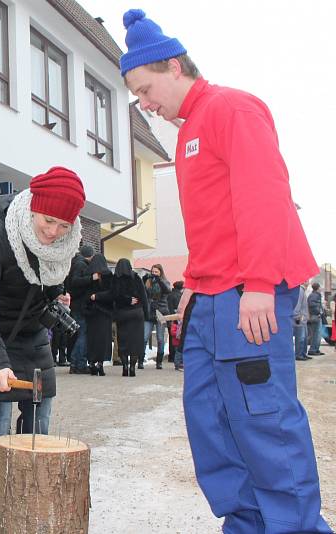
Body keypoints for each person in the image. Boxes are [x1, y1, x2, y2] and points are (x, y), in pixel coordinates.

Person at [121, 9, 331, 532]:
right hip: (212, 297)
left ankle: (296, 527)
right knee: (211, 424)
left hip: (249, 295)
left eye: (146, 90)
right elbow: (213, 222)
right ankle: (246, 524)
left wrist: (259, 284)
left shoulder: (232, 108)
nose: (145, 104)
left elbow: (262, 198)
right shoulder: (188, 132)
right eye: (138, 96)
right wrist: (193, 284)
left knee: (264, 422)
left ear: (173, 66)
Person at [0, 166, 85, 530]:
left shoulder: (65, 243)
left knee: (40, 416)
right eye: (47, 220)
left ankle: (30, 497)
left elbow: (41, 292)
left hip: (28, 335)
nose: (53, 232)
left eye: (63, 225)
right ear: (33, 209)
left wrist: (57, 298)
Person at [111, 258, 148, 377]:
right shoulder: (136, 277)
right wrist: (146, 314)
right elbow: (144, 296)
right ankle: (133, 367)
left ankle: (125, 367)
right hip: (137, 313)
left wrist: (125, 301)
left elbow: (114, 295)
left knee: (123, 341)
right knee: (135, 341)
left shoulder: (115, 279)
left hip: (122, 314)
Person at [66, 244, 96, 374]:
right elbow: (76, 281)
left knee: (80, 334)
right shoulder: (81, 264)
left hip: (76, 304)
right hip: (80, 305)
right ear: (90, 255)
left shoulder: (75, 263)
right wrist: (91, 278)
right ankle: (79, 363)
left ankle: (76, 364)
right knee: (83, 335)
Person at [85, 253, 114, 376]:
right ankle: (100, 364)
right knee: (103, 339)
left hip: (91, 313)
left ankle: (91, 363)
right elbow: (112, 293)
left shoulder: (88, 275)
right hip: (104, 312)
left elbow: (83, 293)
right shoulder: (108, 275)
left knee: (92, 339)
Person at [142, 264, 171, 369]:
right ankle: (141, 360)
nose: (154, 274)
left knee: (160, 338)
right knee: (144, 337)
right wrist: (143, 279)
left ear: (160, 272)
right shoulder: (148, 282)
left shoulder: (165, 282)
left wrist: (159, 280)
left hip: (160, 312)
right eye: (152, 272)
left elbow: (168, 290)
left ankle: (159, 362)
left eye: (156, 272)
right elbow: (142, 293)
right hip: (149, 312)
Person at [166, 280, 184, 364]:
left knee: (171, 338)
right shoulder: (180, 296)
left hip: (170, 318)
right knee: (177, 338)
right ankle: (175, 357)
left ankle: (171, 356)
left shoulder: (170, 294)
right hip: (176, 319)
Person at [293, 282, 312, 361]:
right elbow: (298, 305)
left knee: (304, 338)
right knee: (300, 338)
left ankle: (303, 353)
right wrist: (297, 317)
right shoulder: (300, 290)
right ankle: (299, 354)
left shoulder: (302, 290)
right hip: (300, 319)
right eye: (307, 280)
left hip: (303, 319)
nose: (308, 282)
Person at [307, 282, 324, 356]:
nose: (321, 288)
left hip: (315, 316)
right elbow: (312, 305)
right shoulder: (314, 295)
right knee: (315, 334)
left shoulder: (315, 295)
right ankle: (313, 350)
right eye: (320, 287)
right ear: (318, 288)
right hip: (315, 316)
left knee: (317, 334)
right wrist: (319, 312)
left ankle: (316, 349)